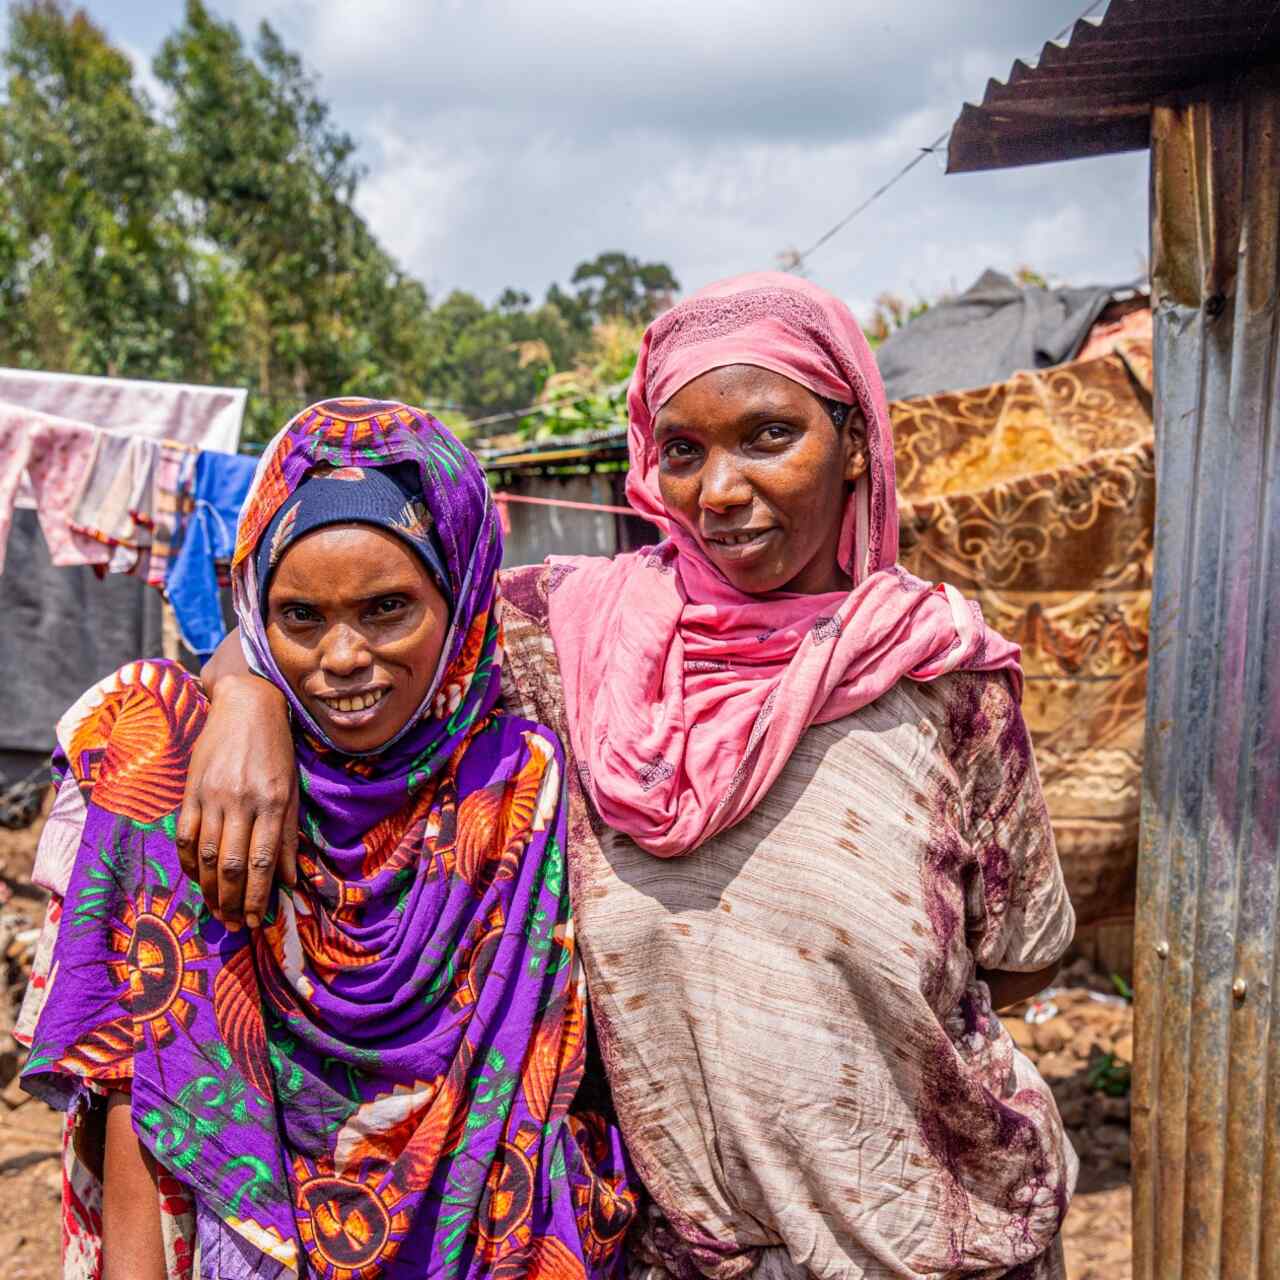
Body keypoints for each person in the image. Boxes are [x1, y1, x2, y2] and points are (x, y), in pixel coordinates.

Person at [189, 275, 1079, 1279]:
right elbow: (353, 627)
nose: (719, 491)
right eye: (684, 450)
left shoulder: (945, 676)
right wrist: (245, 694)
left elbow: (1018, 956)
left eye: (767, 435)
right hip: (684, 1254)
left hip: (938, 1238)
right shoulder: (566, 643)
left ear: (857, 439)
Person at [17, 399, 637, 1280]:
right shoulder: (177, 767)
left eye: (388, 608)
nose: (342, 657)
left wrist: (241, 687)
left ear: (459, 601)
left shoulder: (521, 781)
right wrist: (239, 693)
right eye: (299, 617)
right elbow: (140, 1085)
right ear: (254, 613)